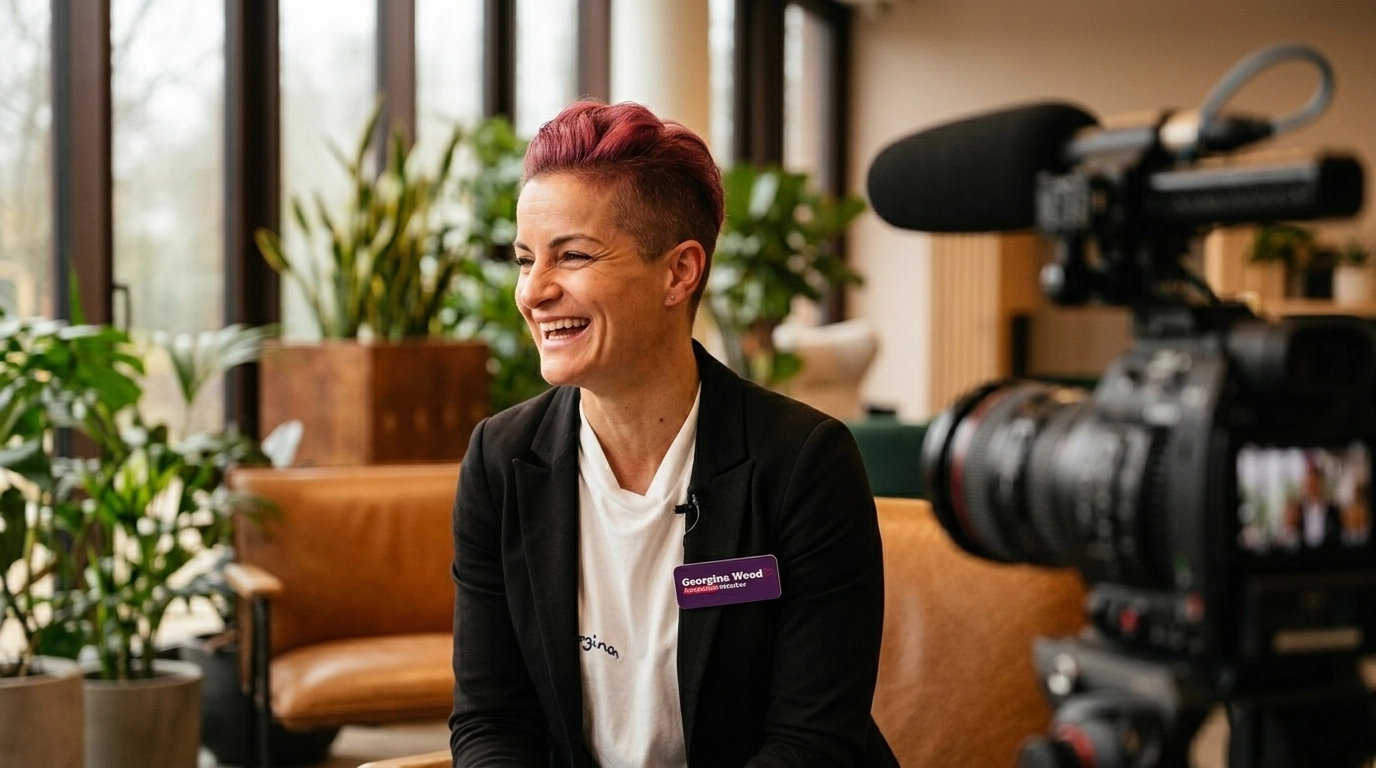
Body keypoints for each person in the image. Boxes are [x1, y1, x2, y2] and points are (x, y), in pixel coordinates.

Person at [448, 100, 895, 768]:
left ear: (679, 272)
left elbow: (811, 745)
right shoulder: (501, 461)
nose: (533, 292)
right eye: (523, 259)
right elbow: (491, 723)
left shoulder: (803, 463)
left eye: (570, 255)